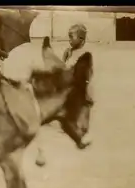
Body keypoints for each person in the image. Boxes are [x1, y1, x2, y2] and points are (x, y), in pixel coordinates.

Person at [35, 23, 93, 166]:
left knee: (81, 110)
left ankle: (81, 134)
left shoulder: (85, 55)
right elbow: (63, 65)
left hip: (80, 86)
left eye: (71, 37)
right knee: (64, 111)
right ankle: (76, 134)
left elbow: (86, 73)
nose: (69, 40)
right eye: (68, 37)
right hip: (69, 86)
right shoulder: (68, 51)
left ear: (81, 39)